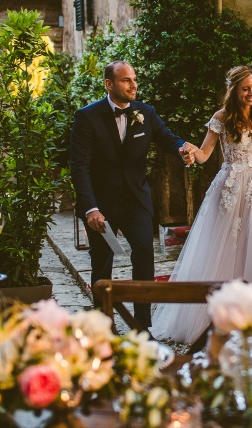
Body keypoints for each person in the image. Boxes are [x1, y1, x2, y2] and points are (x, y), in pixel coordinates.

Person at [151, 66, 252, 344]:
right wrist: (190, 154)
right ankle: (222, 315)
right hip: (231, 186)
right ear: (234, 90)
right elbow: (205, 154)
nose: (251, 93)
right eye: (245, 89)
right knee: (229, 246)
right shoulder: (221, 118)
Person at [70, 60, 196, 329]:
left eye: (134, 79)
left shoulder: (146, 113)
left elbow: (167, 137)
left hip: (136, 201)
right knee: (102, 263)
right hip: (101, 205)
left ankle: (142, 326)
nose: (134, 84)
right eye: (126, 80)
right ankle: (103, 327)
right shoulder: (87, 117)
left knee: (143, 253)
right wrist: (90, 208)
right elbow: (79, 166)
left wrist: (182, 148)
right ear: (109, 84)